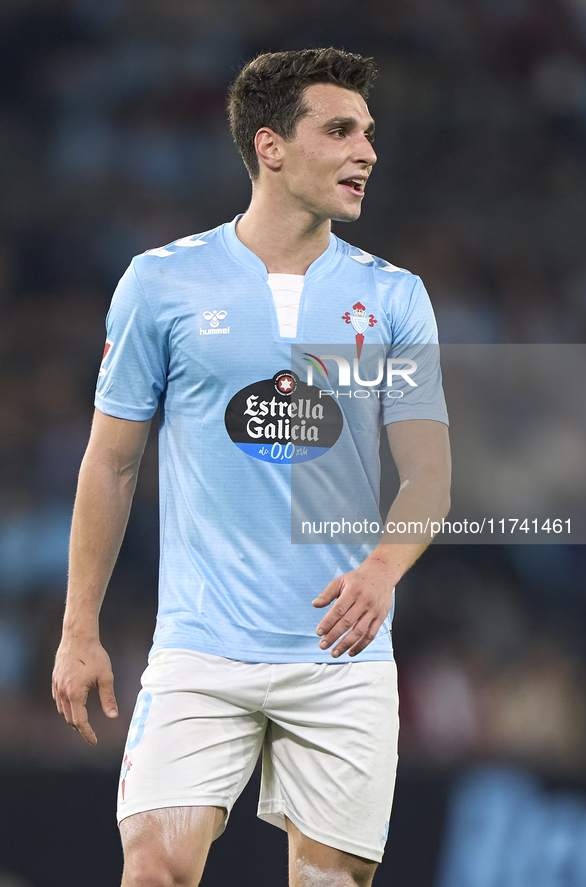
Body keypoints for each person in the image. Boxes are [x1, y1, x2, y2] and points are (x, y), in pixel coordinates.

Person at [52, 48, 451, 887]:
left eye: (369, 134)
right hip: (202, 646)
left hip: (338, 657)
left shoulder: (392, 297)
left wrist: (382, 568)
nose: (366, 152)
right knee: (153, 869)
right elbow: (112, 463)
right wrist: (79, 628)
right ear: (270, 146)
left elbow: (429, 473)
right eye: (339, 130)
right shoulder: (161, 284)